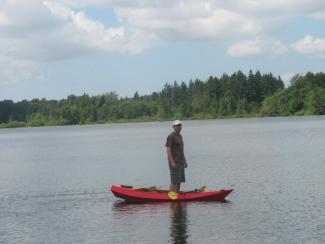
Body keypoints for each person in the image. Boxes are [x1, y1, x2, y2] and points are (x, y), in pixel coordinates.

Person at [166, 120, 188, 193]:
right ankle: (171, 196)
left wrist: (184, 161)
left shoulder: (180, 136)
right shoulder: (170, 136)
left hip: (180, 162)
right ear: (173, 127)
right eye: (177, 125)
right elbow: (168, 150)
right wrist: (172, 162)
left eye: (180, 125)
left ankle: (177, 195)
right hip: (174, 162)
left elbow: (181, 150)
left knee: (179, 180)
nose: (179, 127)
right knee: (174, 181)